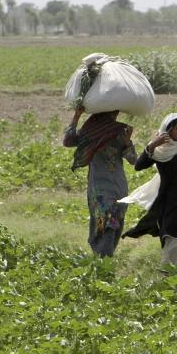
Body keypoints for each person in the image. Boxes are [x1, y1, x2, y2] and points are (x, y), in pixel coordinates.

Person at [122, 112, 177, 268]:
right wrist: (152, 145)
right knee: (175, 238)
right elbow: (139, 166)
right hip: (168, 204)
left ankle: (176, 278)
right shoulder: (159, 152)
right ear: (168, 131)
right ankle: (166, 275)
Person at [63, 106, 137, 256]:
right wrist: (76, 116)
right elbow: (68, 141)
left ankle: (105, 257)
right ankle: (104, 257)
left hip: (117, 186)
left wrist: (127, 142)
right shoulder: (90, 131)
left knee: (114, 222)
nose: (114, 114)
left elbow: (133, 159)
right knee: (106, 221)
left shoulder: (120, 131)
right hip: (100, 187)